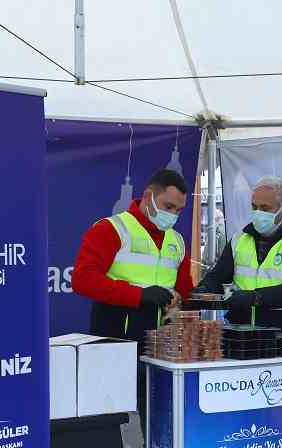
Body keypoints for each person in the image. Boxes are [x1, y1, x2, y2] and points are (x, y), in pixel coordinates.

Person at [72, 168, 194, 427]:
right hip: (117, 338)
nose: (172, 215)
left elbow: (185, 287)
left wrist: (181, 300)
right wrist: (139, 295)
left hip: (162, 344)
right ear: (149, 196)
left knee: (160, 418)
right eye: (168, 206)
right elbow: (83, 280)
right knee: (119, 420)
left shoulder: (178, 241)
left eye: (179, 210)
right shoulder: (111, 229)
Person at [193, 176, 282, 335]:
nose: (258, 213)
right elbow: (218, 277)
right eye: (254, 207)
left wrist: (256, 297)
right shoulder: (239, 240)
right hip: (243, 339)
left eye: (265, 208)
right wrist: (204, 289)